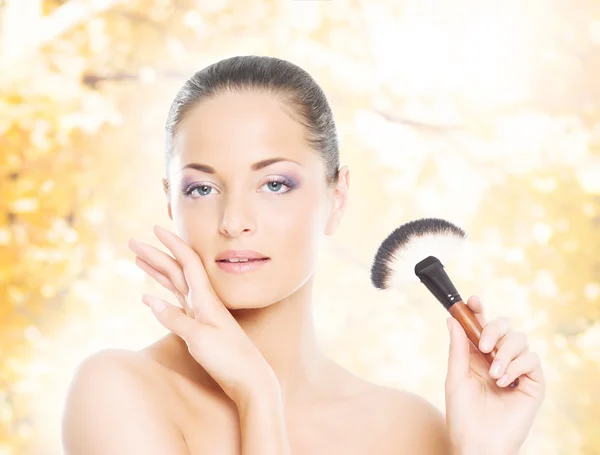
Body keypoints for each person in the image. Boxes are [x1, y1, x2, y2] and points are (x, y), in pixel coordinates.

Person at [61, 55, 545, 454]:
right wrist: (257, 395)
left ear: (336, 199)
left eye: (274, 184)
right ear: (171, 203)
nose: (234, 220)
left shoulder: (413, 430)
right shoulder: (118, 391)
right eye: (203, 188)